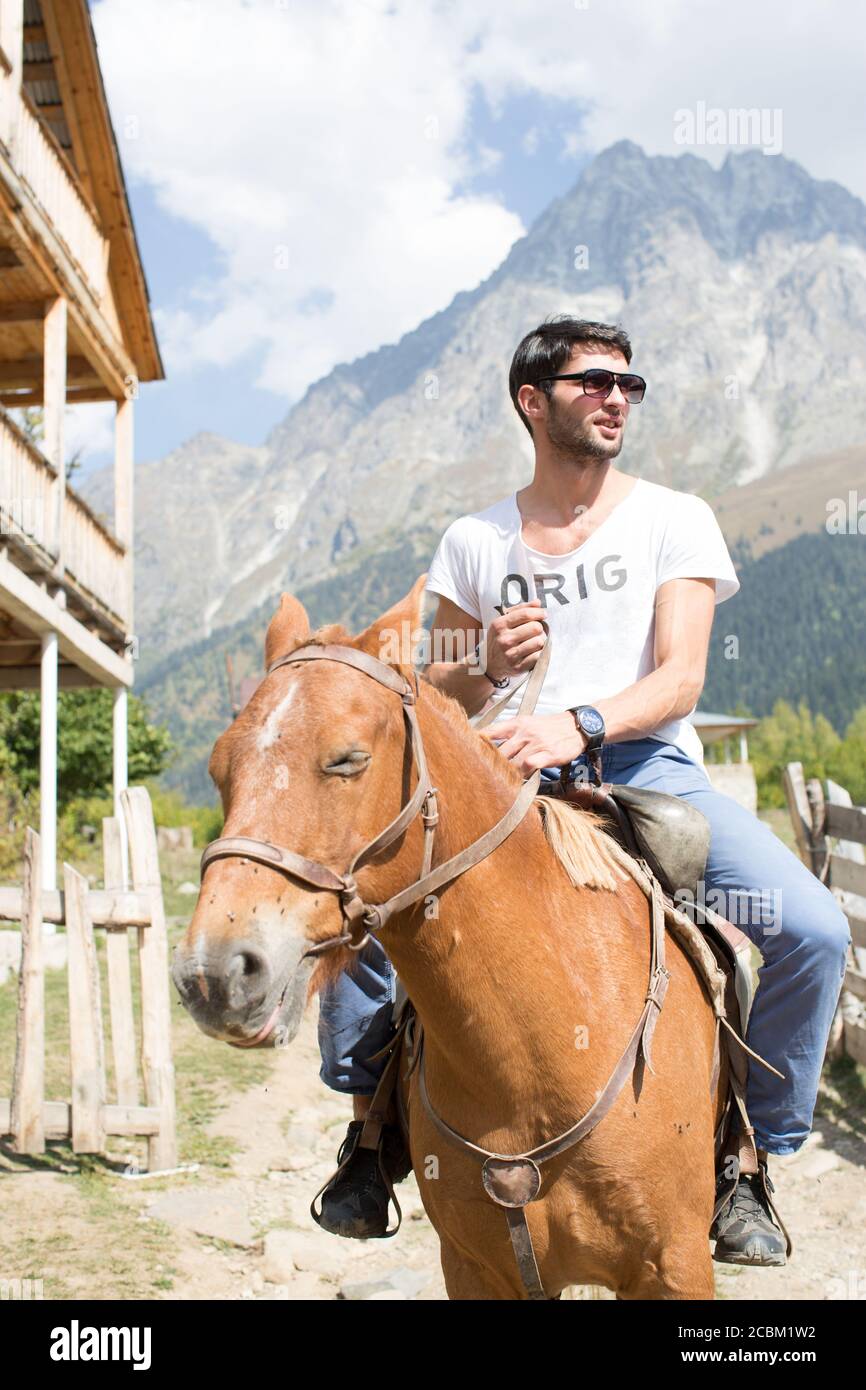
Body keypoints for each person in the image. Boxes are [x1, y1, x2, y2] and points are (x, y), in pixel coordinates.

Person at [314, 316, 851, 1265]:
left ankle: (749, 1163)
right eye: (594, 381)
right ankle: (368, 1140)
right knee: (364, 900)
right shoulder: (475, 539)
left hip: (646, 772)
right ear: (533, 401)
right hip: (499, 779)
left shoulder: (675, 517)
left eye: (628, 385)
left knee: (811, 928)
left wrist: (582, 722)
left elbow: (681, 679)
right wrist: (485, 663)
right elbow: (436, 694)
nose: (617, 399)